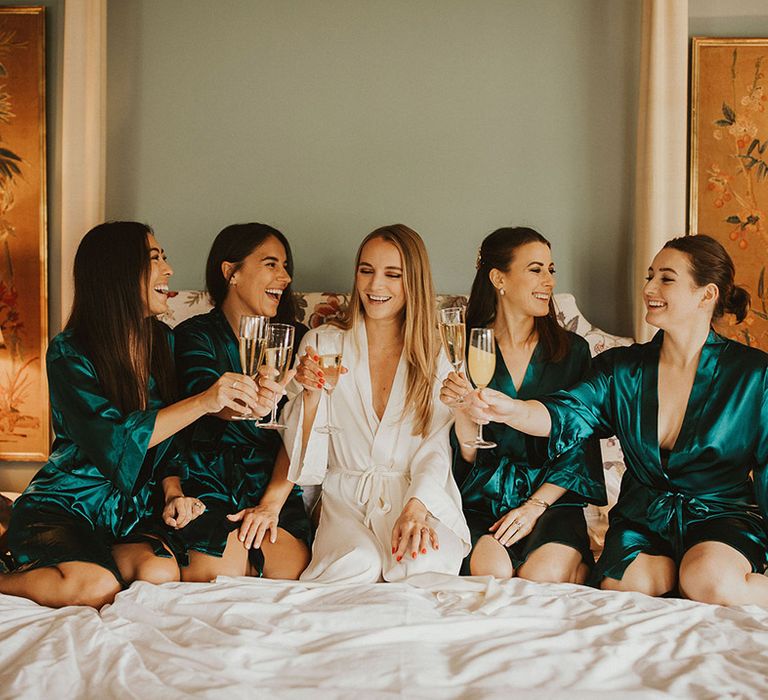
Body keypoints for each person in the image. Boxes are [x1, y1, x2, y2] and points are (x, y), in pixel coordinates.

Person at [463, 234, 768, 605]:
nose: (650, 288)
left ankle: (698, 571)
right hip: (644, 518)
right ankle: (680, 570)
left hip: (721, 515)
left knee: (710, 582)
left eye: (666, 279)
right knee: (622, 587)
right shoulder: (622, 369)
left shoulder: (754, 375)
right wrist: (510, 409)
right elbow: (565, 413)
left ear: (706, 295)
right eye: (649, 276)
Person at [0, 222, 259, 608]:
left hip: (130, 514)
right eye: (154, 258)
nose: (169, 269)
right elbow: (114, 439)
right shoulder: (68, 351)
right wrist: (204, 400)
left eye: (164, 257)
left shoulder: (162, 341)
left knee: (160, 573)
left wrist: (174, 493)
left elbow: (169, 441)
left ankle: (92, 565)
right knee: (96, 588)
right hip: (67, 507)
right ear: (117, 271)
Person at [281, 224, 470, 583]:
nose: (374, 286)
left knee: (419, 564)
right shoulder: (322, 343)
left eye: (392, 274)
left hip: (417, 496)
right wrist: (311, 396)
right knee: (355, 563)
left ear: (413, 281)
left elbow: (436, 448)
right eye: (366, 271)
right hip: (345, 498)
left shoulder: (435, 351)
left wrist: (417, 508)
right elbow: (305, 464)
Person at [440, 227, 605, 582]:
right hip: (483, 497)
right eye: (536, 269)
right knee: (490, 571)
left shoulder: (572, 351)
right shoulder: (464, 348)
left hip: (551, 500)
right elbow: (467, 455)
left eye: (551, 269)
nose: (549, 280)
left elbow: (579, 447)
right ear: (499, 278)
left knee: (543, 576)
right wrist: (461, 411)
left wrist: (534, 507)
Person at [173, 223, 311, 581]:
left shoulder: (297, 339)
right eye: (271, 264)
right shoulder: (193, 336)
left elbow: (304, 433)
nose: (285, 275)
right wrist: (248, 403)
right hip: (208, 479)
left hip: (272, 480)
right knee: (221, 572)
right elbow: (210, 400)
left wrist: (271, 504)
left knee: (287, 569)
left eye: (285, 265)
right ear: (230, 272)